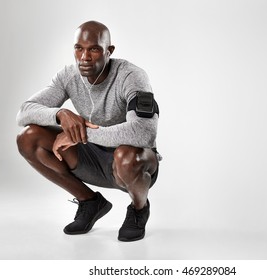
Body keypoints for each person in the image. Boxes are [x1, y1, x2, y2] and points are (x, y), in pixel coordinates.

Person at [16, 20, 160, 242]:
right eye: (79, 48)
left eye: (93, 49)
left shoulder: (132, 76)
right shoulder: (68, 76)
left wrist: (81, 133)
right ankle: (90, 202)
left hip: (132, 163)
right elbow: (24, 112)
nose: (84, 57)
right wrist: (60, 114)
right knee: (29, 138)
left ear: (109, 51)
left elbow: (144, 132)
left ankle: (139, 209)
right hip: (91, 156)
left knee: (126, 156)